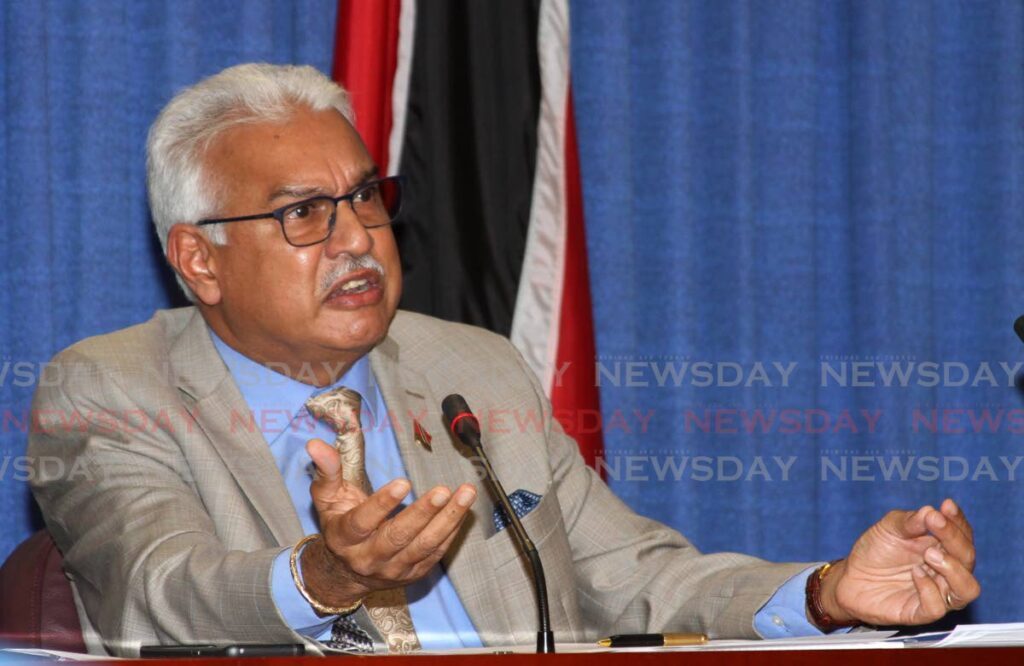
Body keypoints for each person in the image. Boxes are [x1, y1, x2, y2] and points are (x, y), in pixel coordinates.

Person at [28, 63, 979, 656]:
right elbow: (156, 592)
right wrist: (328, 576)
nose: (359, 239)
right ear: (200, 259)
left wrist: (824, 595)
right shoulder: (111, 388)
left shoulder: (469, 371)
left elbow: (637, 575)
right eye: (303, 214)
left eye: (366, 198)